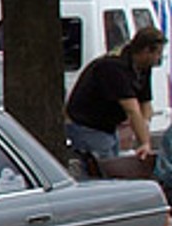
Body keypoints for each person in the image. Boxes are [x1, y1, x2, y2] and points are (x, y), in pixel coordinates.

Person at [66, 27, 166, 161]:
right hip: (88, 126)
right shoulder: (114, 67)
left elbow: (145, 103)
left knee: (114, 164)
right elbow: (132, 109)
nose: (159, 58)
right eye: (158, 53)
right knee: (104, 171)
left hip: (108, 127)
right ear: (146, 51)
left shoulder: (142, 68)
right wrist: (145, 143)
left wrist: (144, 126)